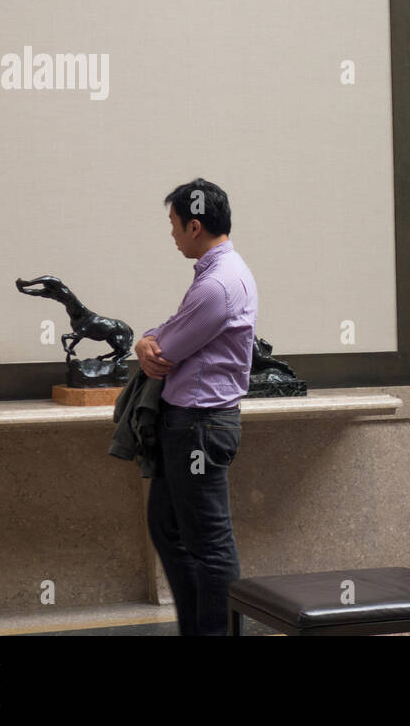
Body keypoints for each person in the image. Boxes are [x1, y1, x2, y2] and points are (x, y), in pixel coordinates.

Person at [135, 178, 258, 636]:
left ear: (194, 226)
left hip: (199, 428)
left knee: (210, 545)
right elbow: (168, 332)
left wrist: (148, 343)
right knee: (167, 528)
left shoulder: (219, 285)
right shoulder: (216, 275)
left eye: (172, 224)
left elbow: (165, 350)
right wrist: (149, 339)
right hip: (192, 425)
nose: (170, 234)